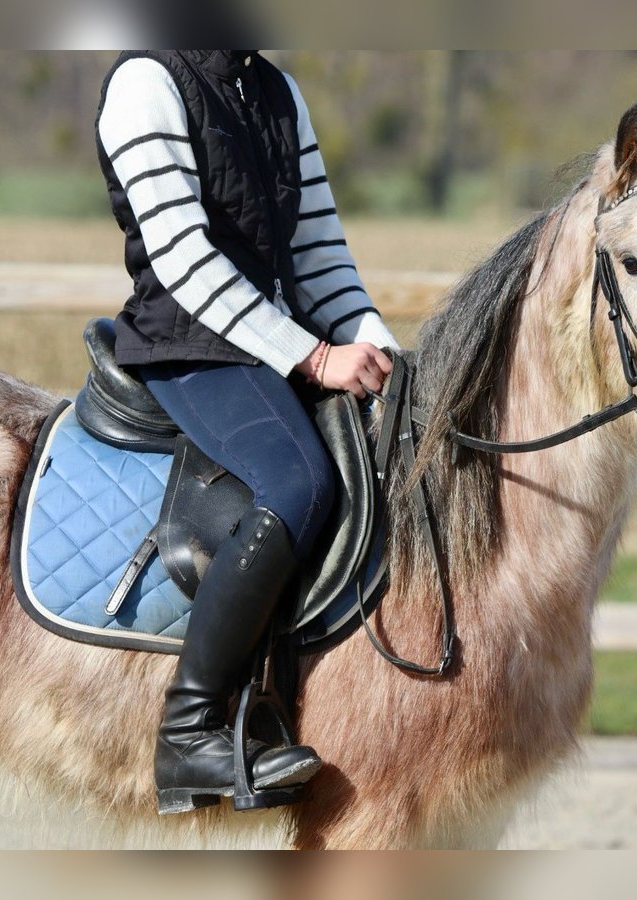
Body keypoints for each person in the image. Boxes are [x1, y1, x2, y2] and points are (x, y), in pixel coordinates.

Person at [95, 50, 397, 814]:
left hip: (269, 345)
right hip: (185, 347)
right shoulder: (145, 83)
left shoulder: (275, 89)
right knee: (298, 482)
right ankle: (189, 728)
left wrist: (381, 348)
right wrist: (317, 355)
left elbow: (317, 253)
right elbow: (184, 259)